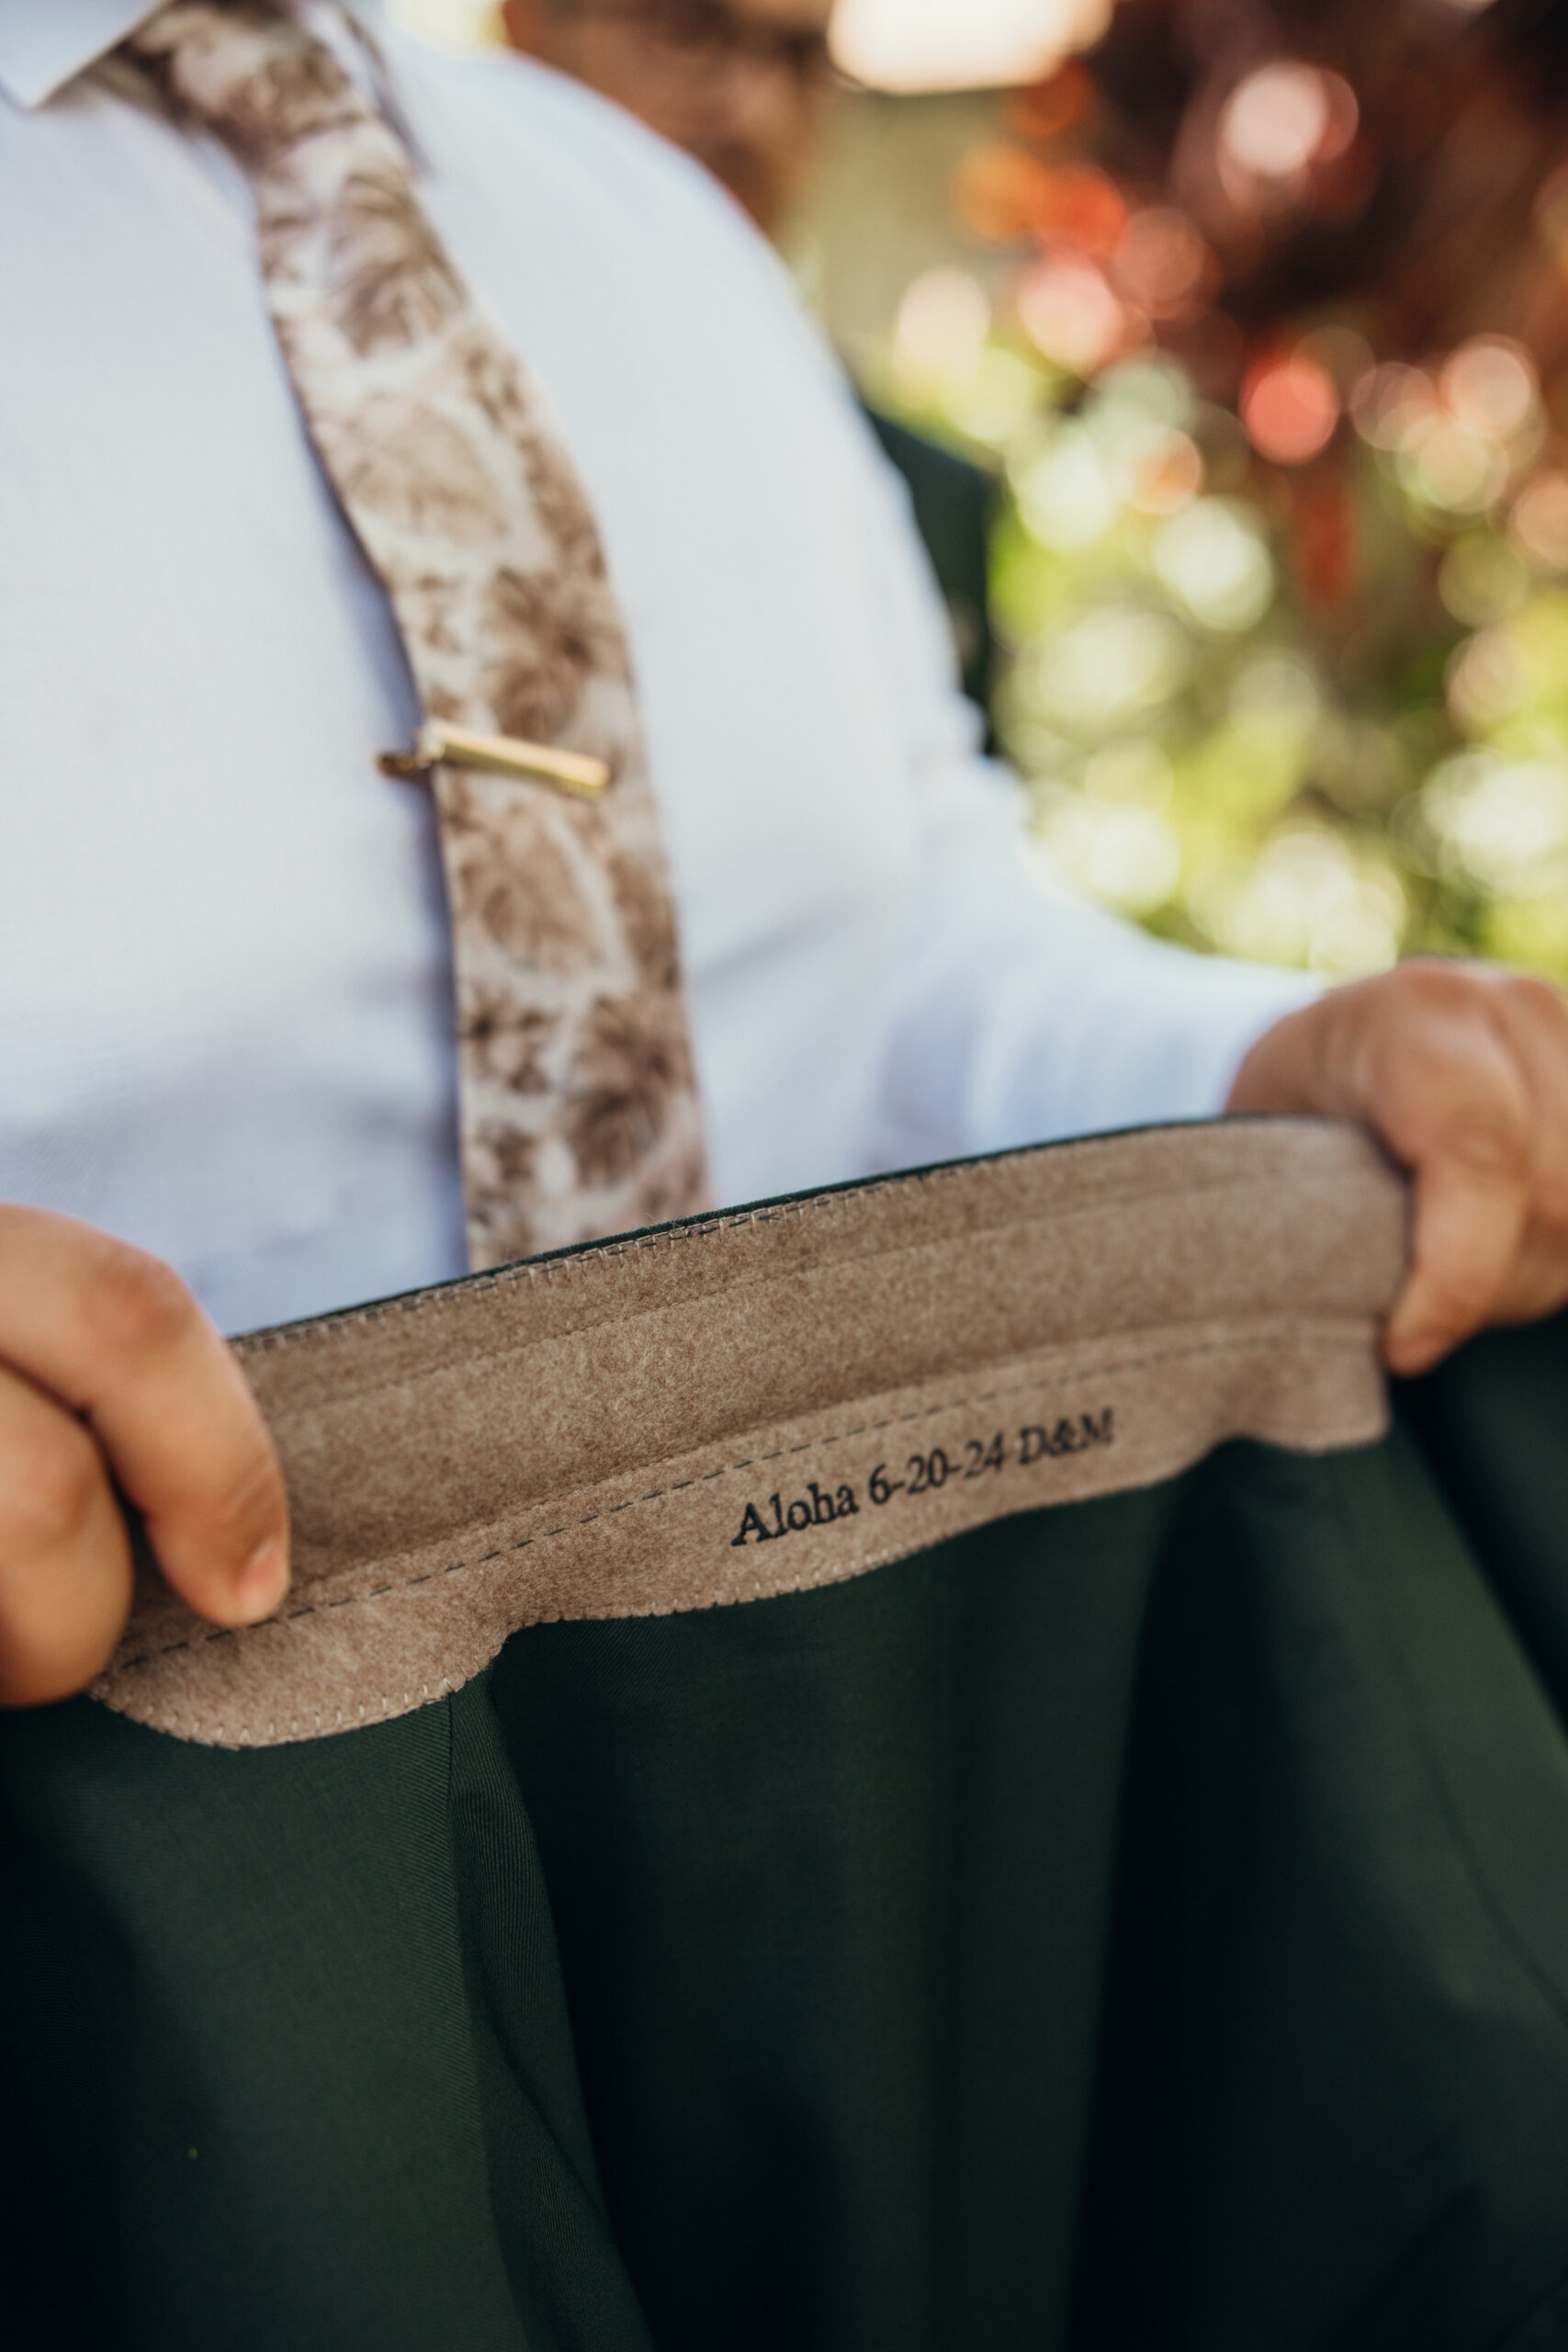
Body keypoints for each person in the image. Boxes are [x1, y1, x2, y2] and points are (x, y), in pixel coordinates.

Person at [4, 0, 1568, 1719]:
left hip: (811, 1792)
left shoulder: (646, 232)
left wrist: (1257, 1062)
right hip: (173, 1884)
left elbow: (896, 950)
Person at [500, 0, 1001, 727]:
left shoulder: (921, 501)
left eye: (801, 60)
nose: (756, 115)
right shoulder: (357, 421)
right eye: (688, 35)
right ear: (527, 25)